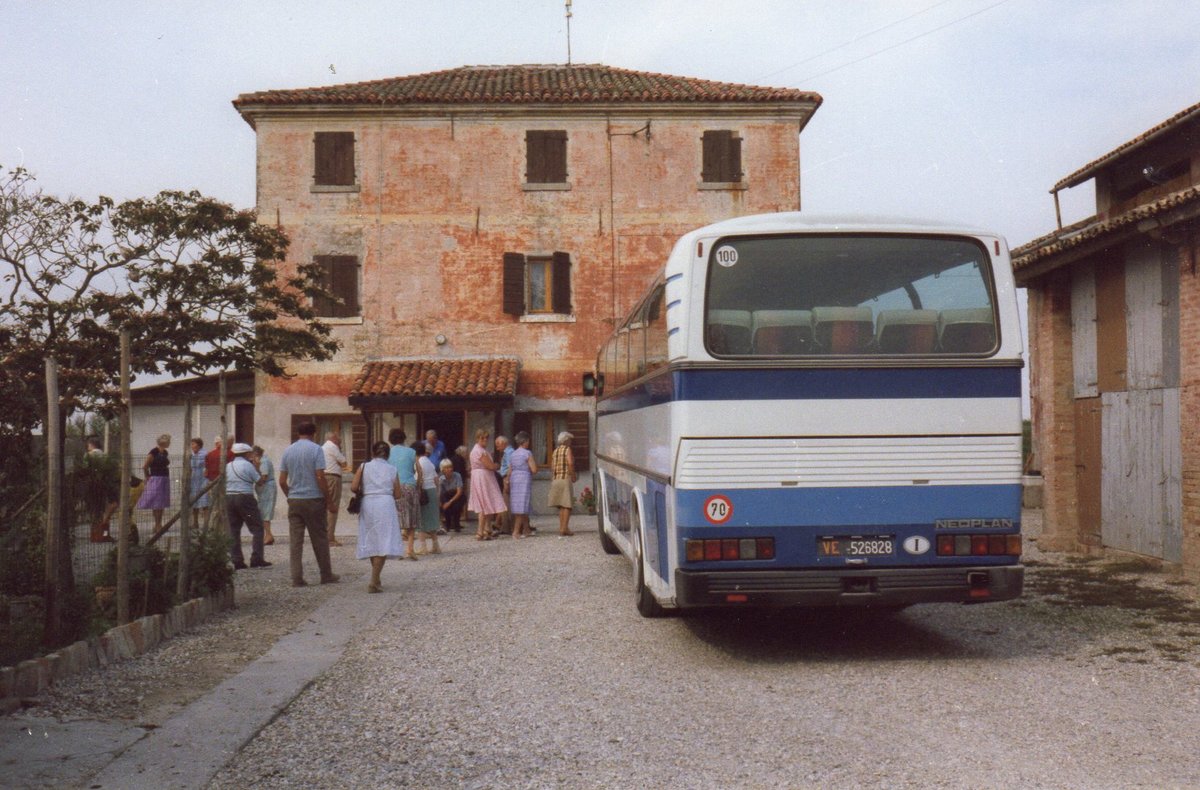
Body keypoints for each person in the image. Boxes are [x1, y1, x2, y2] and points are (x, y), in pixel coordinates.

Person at [278, 422, 339, 587]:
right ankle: (326, 574)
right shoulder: (316, 449)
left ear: (298, 433)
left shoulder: (288, 450)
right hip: (313, 499)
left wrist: (290, 495)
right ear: (314, 433)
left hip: (295, 499)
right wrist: (329, 501)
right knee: (319, 538)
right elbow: (320, 476)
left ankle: (296, 577)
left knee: (296, 541)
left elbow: (282, 480)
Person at [351, 441, 405, 593]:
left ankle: (376, 577)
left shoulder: (364, 466)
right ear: (388, 454)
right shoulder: (392, 469)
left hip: (368, 503)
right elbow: (398, 494)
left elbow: (354, 487)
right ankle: (373, 581)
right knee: (384, 540)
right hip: (385, 504)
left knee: (372, 538)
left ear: (373, 452)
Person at [226, 443, 270, 570]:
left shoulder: (228, 466)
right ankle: (257, 558)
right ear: (246, 454)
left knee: (234, 529)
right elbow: (260, 482)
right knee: (257, 527)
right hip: (245, 497)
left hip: (229, 497)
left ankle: (237, 560)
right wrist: (257, 467)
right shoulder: (248, 465)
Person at [387, 428, 421, 560]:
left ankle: (398, 550)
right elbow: (420, 470)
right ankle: (410, 549)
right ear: (403, 438)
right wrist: (418, 485)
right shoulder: (411, 452)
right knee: (411, 520)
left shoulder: (388, 453)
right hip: (410, 486)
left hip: (395, 488)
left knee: (396, 519)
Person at [468, 428, 506, 540]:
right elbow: (490, 466)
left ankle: (487, 529)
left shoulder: (481, 450)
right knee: (484, 503)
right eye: (482, 438)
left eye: (486, 438)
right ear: (477, 439)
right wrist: (497, 465)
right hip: (482, 478)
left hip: (484, 477)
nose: (484, 440)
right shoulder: (479, 451)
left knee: (488, 502)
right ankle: (480, 531)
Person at [136, 434, 172, 533]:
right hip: (156, 479)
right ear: (163, 442)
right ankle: (157, 525)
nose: (170, 443)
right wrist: (147, 477)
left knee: (161, 503)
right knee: (156, 502)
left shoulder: (165, 452)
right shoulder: (153, 452)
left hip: (164, 479)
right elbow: (145, 466)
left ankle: (159, 524)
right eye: (168, 441)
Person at [507, 431, 538, 538]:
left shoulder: (513, 454)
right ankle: (516, 532)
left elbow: (509, 470)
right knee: (522, 504)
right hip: (524, 478)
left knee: (520, 503)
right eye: (528, 441)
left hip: (514, 479)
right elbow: (534, 469)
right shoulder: (527, 453)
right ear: (525, 441)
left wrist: (507, 481)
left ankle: (526, 529)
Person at [322, 431, 350, 547]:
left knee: (324, 507)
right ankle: (330, 538)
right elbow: (344, 463)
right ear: (334, 438)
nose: (340, 441)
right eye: (339, 439)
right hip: (333, 477)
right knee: (332, 507)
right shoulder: (333, 447)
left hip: (323, 477)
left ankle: (325, 536)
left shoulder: (323, 447)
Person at [413, 441, 441, 555]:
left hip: (423, 492)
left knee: (420, 520)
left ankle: (423, 546)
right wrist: (438, 493)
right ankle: (435, 545)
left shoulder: (417, 463)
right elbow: (436, 479)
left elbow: (417, 479)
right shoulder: (429, 462)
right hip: (432, 490)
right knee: (431, 519)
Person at [548, 431, 577, 536]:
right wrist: (573, 475)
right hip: (565, 478)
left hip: (556, 479)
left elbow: (552, 466)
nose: (571, 442)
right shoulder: (567, 449)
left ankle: (562, 527)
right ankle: (564, 528)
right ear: (566, 440)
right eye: (570, 440)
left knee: (561, 505)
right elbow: (570, 463)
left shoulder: (555, 451)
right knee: (567, 505)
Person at [253, 445, 277, 545]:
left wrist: (256, 468)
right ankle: (268, 535)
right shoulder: (263, 460)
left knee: (265, 511)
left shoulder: (263, 461)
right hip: (265, 489)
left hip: (267, 489)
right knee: (263, 511)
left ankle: (268, 535)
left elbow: (263, 477)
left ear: (256, 454)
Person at [437, 458, 465, 533]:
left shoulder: (457, 475)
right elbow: (439, 492)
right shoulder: (441, 478)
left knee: (456, 506)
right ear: (443, 470)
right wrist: (439, 502)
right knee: (444, 505)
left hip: (456, 495)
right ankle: (448, 524)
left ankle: (456, 524)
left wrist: (450, 502)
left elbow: (459, 492)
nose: (450, 469)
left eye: (451, 467)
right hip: (446, 495)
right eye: (447, 467)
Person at [188, 438, 210, 525]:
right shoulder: (191, 454)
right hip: (194, 479)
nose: (192, 446)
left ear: (199, 445)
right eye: (191, 444)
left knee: (205, 501)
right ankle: (195, 522)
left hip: (203, 478)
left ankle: (206, 523)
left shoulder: (205, 454)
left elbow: (207, 466)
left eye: (194, 444)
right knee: (194, 501)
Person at [494, 435, 514, 535]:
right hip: (505, 476)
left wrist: (507, 481)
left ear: (503, 443)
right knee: (505, 503)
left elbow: (511, 466)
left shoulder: (509, 452)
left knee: (506, 504)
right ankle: (505, 526)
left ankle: (507, 528)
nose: (497, 447)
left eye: (498, 445)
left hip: (507, 477)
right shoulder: (507, 452)